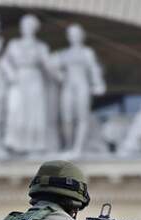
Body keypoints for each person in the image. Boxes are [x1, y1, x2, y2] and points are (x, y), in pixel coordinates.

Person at [0, 14, 53, 154]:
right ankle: (16, 143)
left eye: (29, 26)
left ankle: (34, 144)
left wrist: (60, 74)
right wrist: (11, 73)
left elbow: (49, 65)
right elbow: (3, 61)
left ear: (34, 29)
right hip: (18, 78)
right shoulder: (14, 44)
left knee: (34, 111)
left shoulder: (41, 46)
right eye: (24, 25)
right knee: (16, 109)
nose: (26, 28)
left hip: (34, 79)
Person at [52, 24, 106, 155]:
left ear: (82, 36)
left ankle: (78, 148)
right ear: (68, 37)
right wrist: (58, 74)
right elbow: (51, 65)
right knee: (67, 118)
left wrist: (98, 83)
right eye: (72, 34)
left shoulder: (87, 52)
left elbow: (94, 69)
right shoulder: (64, 53)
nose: (74, 37)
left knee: (82, 117)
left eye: (77, 34)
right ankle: (68, 145)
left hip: (82, 85)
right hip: (68, 86)